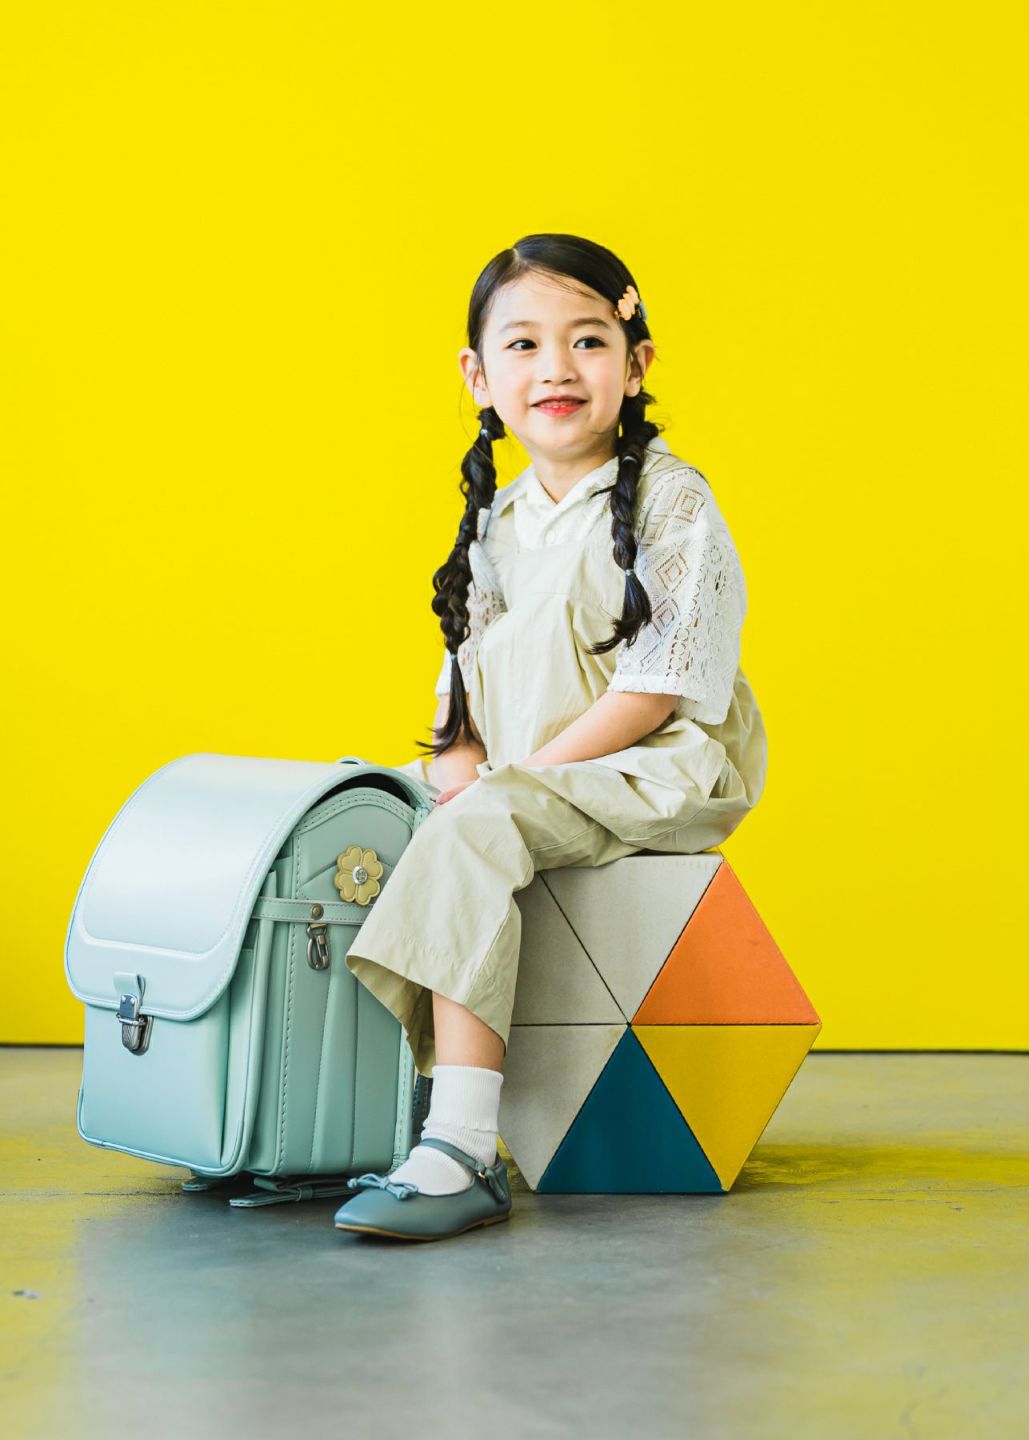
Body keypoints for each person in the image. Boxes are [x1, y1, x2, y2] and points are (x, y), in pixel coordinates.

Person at [334, 233, 768, 1242]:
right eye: (524, 345)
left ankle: (461, 1146)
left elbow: (654, 693)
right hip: (532, 775)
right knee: (366, 809)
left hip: (651, 768)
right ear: (479, 377)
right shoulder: (499, 518)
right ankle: (349, 1106)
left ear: (636, 362)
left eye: (588, 340)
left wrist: (502, 788)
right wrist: (453, 779)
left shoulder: (671, 500)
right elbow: (461, 705)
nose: (557, 368)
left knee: (479, 829)